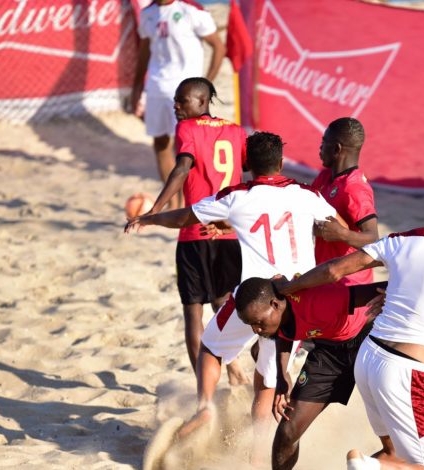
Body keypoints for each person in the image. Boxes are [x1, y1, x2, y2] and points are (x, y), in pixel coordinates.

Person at [125, 131, 343, 464]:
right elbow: (336, 227)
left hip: (254, 297)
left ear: (247, 164)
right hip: (295, 302)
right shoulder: (307, 194)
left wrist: (150, 218)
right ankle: (257, 456)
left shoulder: (237, 195)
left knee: (211, 350)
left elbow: (185, 217)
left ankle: (205, 406)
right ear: (282, 162)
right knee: (268, 381)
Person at [275, 174, 424, 470]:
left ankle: (371, 465)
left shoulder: (402, 239)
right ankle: (367, 466)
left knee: (395, 454)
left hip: (368, 359)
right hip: (406, 370)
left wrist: (288, 287)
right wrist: (415, 305)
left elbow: (334, 271)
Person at [144, 77, 248, 384]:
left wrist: (156, 209)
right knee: (222, 305)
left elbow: (181, 169)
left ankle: (205, 390)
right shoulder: (236, 130)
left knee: (193, 313)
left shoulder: (186, 128)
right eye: (175, 100)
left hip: (195, 233)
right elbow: (248, 167)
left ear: (202, 102)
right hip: (229, 234)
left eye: (182, 100)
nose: (176, 105)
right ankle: (233, 368)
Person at [233, 277, 388, 470]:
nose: (255, 330)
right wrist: (281, 377)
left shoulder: (318, 299)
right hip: (329, 352)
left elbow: (378, 290)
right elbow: (284, 332)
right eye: (250, 325)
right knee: (287, 432)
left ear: (275, 304)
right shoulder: (279, 315)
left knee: (395, 437)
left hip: (370, 341)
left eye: (258, 322)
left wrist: (399, 292)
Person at [130, 0, 226, 209]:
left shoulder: (191, 10)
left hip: (185, 91)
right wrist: (136, 87)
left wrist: (205, 85)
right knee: (160, 143)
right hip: (156, 87)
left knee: (187, 147)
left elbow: (218, 47)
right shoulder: (148, 13)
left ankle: (191, 200)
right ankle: (174, 203)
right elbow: (145, 51)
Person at [311, 117, 379, 286]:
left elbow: (373, 238)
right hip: (324, 276)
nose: (320, 147)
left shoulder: (354, 188)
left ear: (337, 148)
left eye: (324, 142)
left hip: (349, 284)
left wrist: (342, 234)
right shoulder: (325, 176)